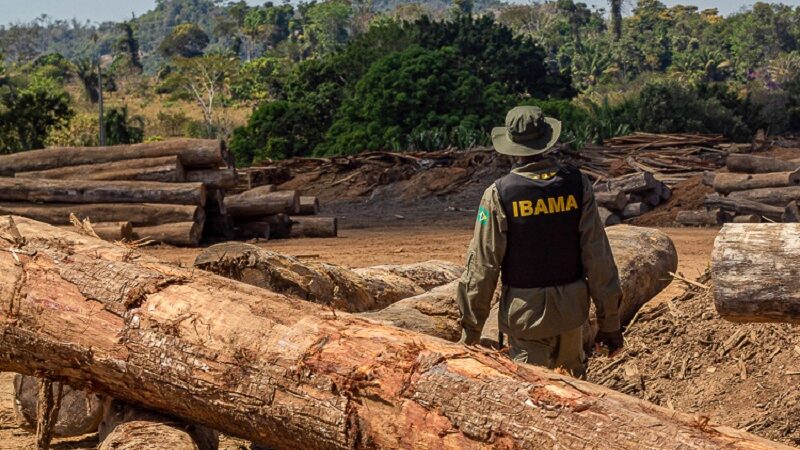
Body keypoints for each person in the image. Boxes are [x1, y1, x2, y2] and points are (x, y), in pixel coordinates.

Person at [456, 105, 623, 378]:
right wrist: (610, 321)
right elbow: (597, 255)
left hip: (526, 319)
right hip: (571, 314)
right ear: (546, 141)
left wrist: (471, 332)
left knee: (533, 398)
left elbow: (483, 267)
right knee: (574, 393)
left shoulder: (499, 194)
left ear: (511, 147)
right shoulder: (577, 185)